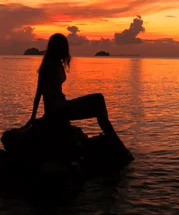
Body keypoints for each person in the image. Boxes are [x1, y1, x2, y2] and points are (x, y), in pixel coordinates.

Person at [25, 33, 133, 161]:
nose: (66, 49)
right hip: (56, 111)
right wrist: (33, 117)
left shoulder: (57, 63)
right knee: (98, 101)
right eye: (64, 46)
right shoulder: (48, 66)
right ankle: (118, 146)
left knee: (99, 100)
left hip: (61, 106)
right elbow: (39, 92)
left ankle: (115, 142)